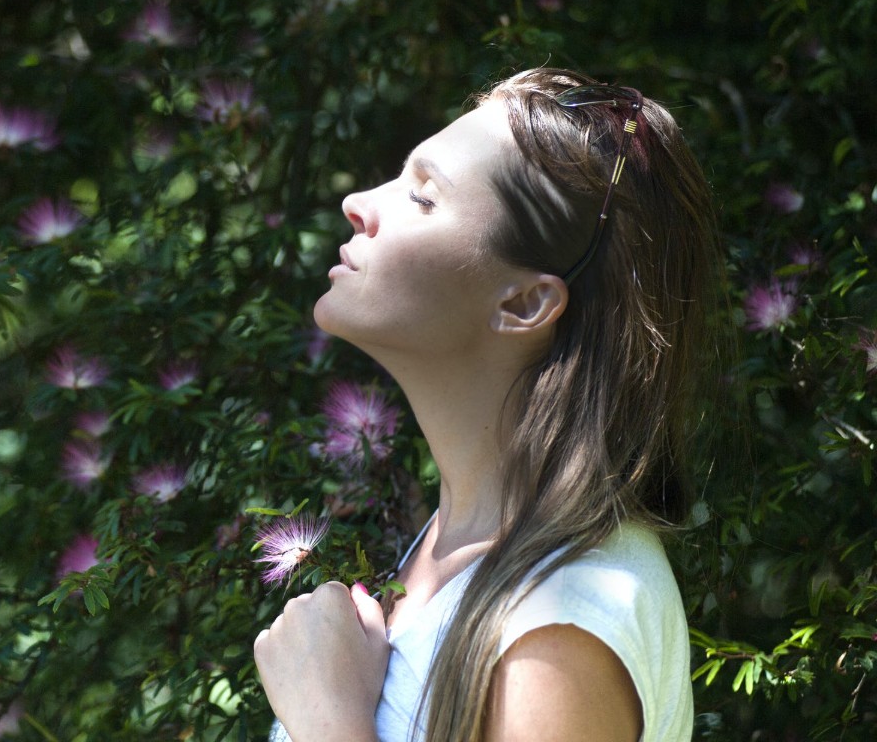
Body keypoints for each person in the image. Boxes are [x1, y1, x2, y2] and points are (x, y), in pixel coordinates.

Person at [254, 67, 718, 741]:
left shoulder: (560, 625)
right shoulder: (456, 554)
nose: (358, 201)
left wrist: (328, 719)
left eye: (421, 196)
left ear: (525, 303)